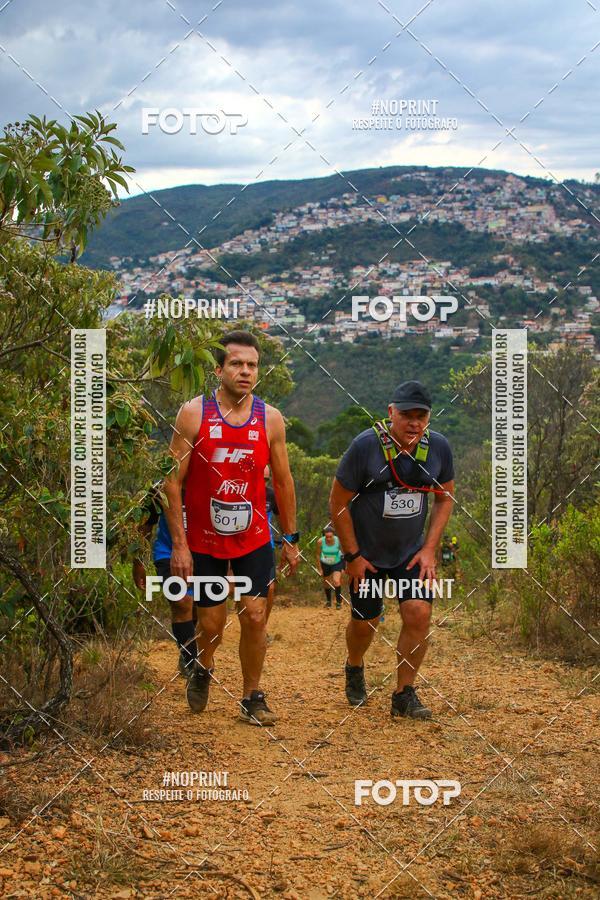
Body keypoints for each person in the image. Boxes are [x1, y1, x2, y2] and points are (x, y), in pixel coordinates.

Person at [163, 330, 300, 726]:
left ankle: (252, 697)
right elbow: (170, 480)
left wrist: (290, 538)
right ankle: (204, 667)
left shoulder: (270, 418)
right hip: (204, 540)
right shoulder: (194, 413)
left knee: (255, 616)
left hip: (253, 537)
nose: (245, 371)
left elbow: (284, 481)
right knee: (210, 622)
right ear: (219, 368)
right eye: (237, 364)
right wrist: (179, 544)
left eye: (252, 365)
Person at [329, 380, 455, 720]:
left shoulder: (438, 448)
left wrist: (430, 549)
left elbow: (444, 498)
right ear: (391, 413)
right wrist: (353, 557)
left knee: (419, 614)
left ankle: (404, 694)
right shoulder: (365, 447)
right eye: (406, 415)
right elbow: (338, 504)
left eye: (421, 416)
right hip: (366, 557)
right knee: (365, 621)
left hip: (410, 554)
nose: (414, 423)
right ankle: (354, 666)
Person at [132, 491, 197, 677]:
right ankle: (192, 664)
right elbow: (144, 527)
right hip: (167, 554)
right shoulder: (157, 491)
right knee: (182, 601)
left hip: (202, 553)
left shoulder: (207, 478)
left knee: (198, 606)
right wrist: (138, 563)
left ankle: (190, 647)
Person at [316, 526, 344, 609]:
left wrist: (343, 567)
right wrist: (320, 568)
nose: (328, 539)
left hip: (336, 562)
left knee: (336, 581)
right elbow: (317, 555)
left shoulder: (338, 541)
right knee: (326, 583)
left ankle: (338, 602)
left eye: (330, 537)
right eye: (326, 537)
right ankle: (328, 601)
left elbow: (343, 553)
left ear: (333, 536)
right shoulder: (320, 541)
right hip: (325, 563)